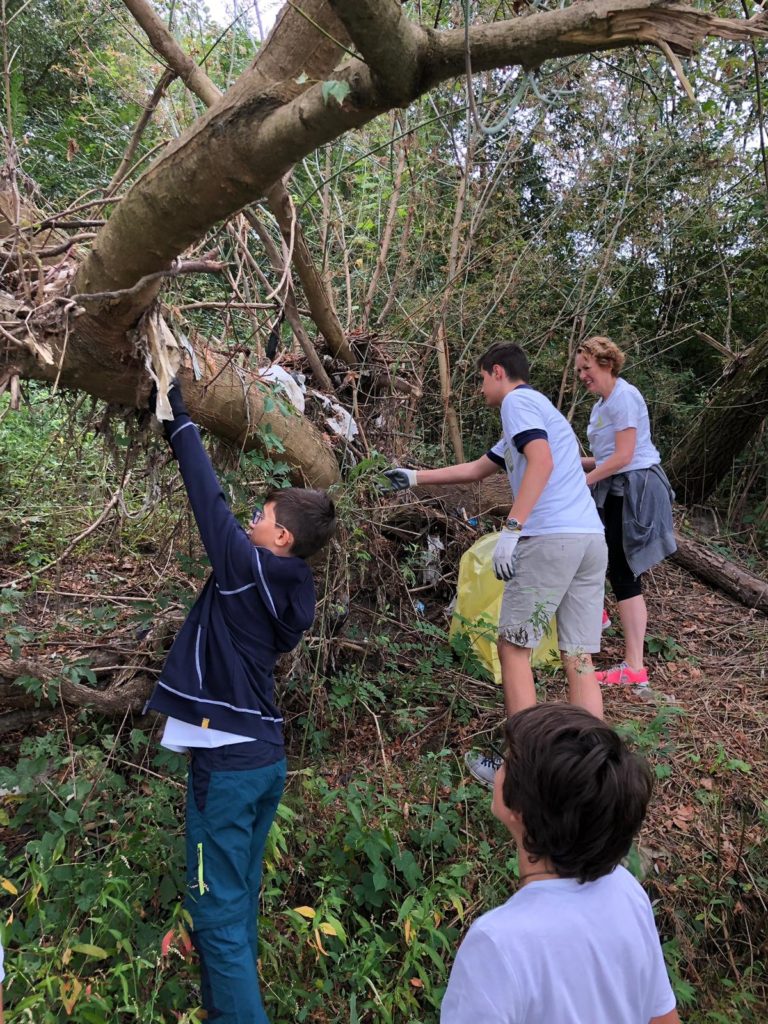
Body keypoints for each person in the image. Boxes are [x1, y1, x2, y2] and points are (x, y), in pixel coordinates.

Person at [145, 380, 337, 1024]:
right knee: (236, 903)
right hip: (264, 758)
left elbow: (208, 498)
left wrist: (178, 416)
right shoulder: (286, 582)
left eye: (263, 517)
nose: (251, 520)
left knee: (218, 916)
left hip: (227, 768)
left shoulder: (246, 569)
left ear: (281, 537)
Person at [383, 342, 607, 787]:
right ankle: (593, 770)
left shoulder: (518, 403)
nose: (480, 387)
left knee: (514, 648)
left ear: (498, 372)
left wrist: (512, 528)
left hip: (551, 538)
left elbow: (540, 463)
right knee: (577, 655)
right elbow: (478, 469)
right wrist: (414, 477)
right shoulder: (539, 409)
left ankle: (522, 771)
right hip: (589, 539)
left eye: (481, 378)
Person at [440, 703, 680, 1024]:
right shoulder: (624, 890)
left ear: (520, 808)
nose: (498, 768)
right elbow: (663, 1019)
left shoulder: (498, 943)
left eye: (506, 762)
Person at [574, 336, 676, 687]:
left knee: (623, 570)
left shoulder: (624, 396)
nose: (582, 375)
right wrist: (570, 462)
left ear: (606, 363)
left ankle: (634, 668)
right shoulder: (601, 406)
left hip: (636, 488)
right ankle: (597, 616)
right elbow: (606, 457)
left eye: (586, 368)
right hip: (614, 486)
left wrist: (585, 480)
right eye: (578, 371)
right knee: (593, 550)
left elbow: (625, 455)